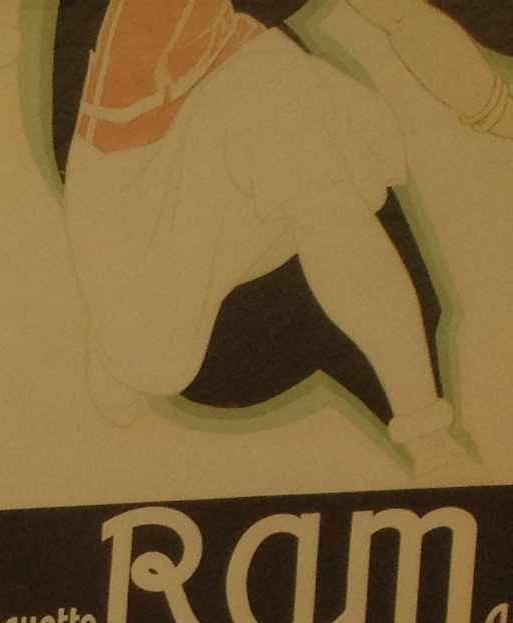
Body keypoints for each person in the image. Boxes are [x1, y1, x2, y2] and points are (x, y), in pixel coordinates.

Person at [63, 0, 513, 473]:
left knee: (302, 136)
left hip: (243, 75)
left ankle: (428, 435)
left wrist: (498, 112)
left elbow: (400, 14)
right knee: (155, 366)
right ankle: (118, 338)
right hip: (137, 168)